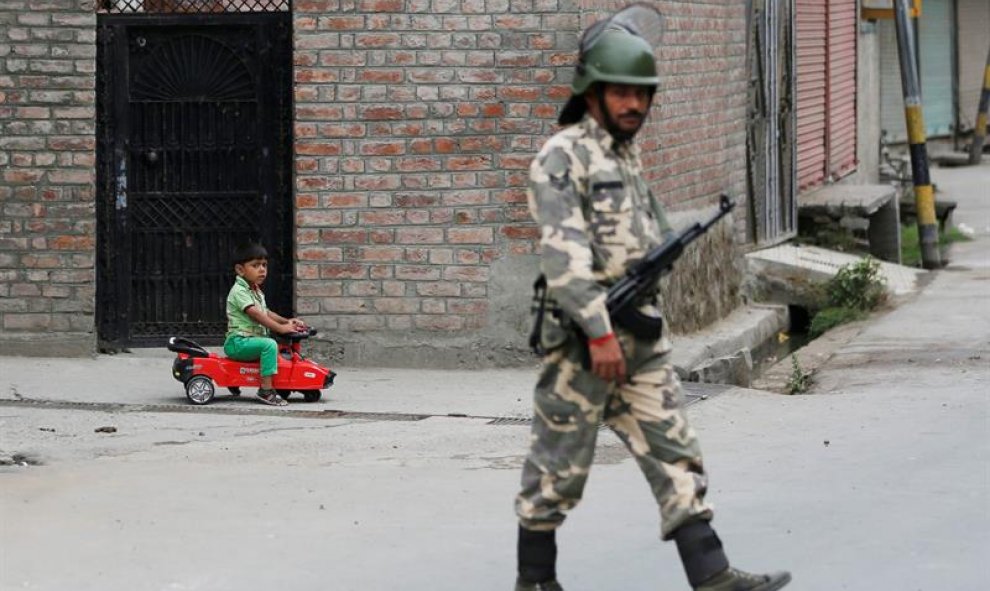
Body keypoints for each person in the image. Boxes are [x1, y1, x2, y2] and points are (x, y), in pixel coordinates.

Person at [514, 6, 791, 591]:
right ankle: (535, 583)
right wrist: (598, 333)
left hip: (639, 336)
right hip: (583, 342)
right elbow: (564, 260)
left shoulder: (624, 152)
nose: (634, 104)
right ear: (591, 91)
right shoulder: (561, 156)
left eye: (642, 93)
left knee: (676, 453)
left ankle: (712, 575)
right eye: (620, 91)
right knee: (557, 469)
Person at [224, 242, 306, 407]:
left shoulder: (255, 290)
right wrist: (281, 328)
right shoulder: (239, 291)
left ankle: (279, 383)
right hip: (238, 342)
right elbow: (256, 314)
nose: (262, 269)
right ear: (240, 270)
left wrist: (287, 321)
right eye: (255, 265)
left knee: (280, 347)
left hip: (249, 341)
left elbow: (266, 312)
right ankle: (266, 391)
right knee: (269, 345)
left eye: (264, 265)